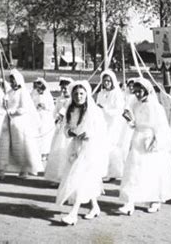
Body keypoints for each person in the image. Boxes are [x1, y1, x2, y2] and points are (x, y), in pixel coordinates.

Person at [118, 78, 171, 215]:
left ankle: (154, 199)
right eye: (135, 91)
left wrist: (155, 141)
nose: (137, 94)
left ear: (146, 91)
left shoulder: (156, 107)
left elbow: (161, 127)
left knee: (150, 171)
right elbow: (135, 123)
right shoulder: (135, 105)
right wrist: (131, 122)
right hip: (137, 138)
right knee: (133, 170)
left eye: (140, 91)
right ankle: (129, 202)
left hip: (150, 141)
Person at [56, 80, 108, 225]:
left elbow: (101, 129)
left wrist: (88, 134)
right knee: (83, 179)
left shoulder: (94, 110)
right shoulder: (71, 110)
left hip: (90, 148)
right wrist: (70, 133)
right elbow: (65, 127)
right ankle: (95, 207)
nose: (79, 96)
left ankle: (73, 213)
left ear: (86, 95)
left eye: (81, 94)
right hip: (75, 147)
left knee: (80, 178)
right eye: (76, 94)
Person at [0, 69, 43, 179]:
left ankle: (24, 170)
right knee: (4, 145)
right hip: (8, 122)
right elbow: (4, 106)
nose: (12, 83)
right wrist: (5, 103)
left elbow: (24, 109)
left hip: (19, 122)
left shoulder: (23, 93)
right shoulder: (9, 92)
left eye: (14, 80)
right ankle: (1, 170)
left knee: (20, 146)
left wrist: (12, 111)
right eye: (11, 80)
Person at [96, 69, 126, 180]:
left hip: (113, 124)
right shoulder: (101, 93)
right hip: (102, 123)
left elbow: (119, 110)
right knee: (102, 147)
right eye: (104, 81)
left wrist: (105, 110)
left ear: (112, 81)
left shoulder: (117, 93)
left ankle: (113, 172)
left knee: (112, 148)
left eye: (108, 81)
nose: (106, 83)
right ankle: (104, 171)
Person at [44, 77, 73, 184]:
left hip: (68, 128)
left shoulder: (72, 100)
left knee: (66, 150)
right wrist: (57, 117)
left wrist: (64, 117)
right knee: (57, 151)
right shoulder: (60, 99)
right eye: (62, 88)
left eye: (65, 88)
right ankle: (58, 177)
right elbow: (54, 112)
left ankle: (67, 177)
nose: (64, 90)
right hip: (60, 128)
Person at [31, 78, 55, 161]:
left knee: (45, 134)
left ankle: (45, 152)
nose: (39, 90)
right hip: (37, 115)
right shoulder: (33, 94)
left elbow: (52, 107)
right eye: (37, 88)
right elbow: (30, 104)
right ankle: (38, 152)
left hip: (46, 116)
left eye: (40, 89)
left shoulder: (47, 95)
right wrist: (35, 106)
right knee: (37, 133)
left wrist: (45, 107)